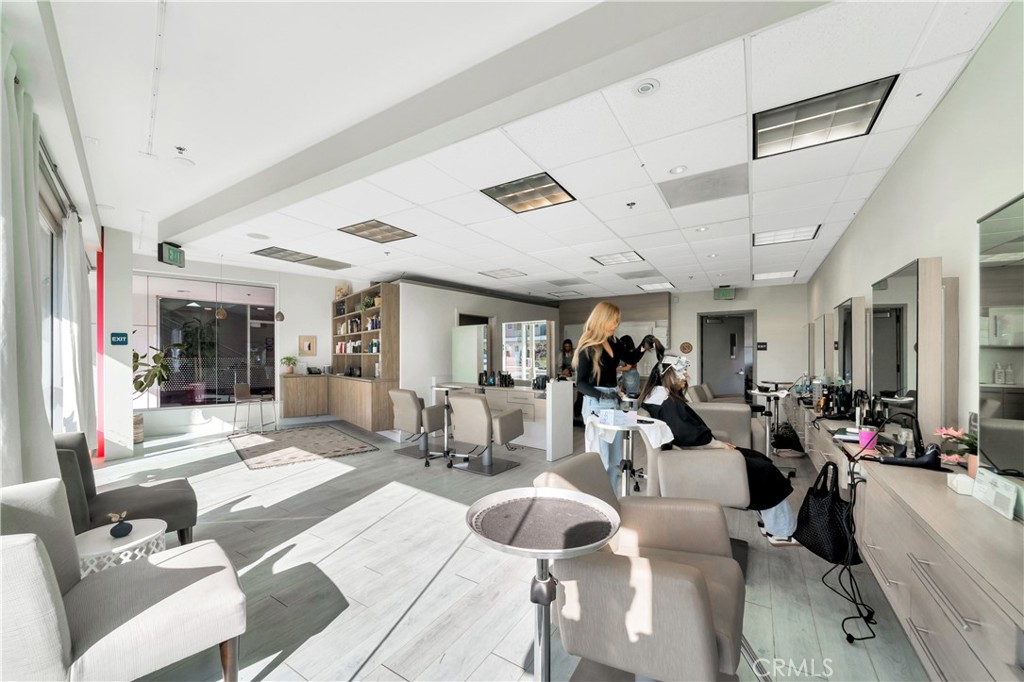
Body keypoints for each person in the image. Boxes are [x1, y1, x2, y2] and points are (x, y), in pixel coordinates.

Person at [638, 353, 800, 547]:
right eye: (682, 372)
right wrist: (718, 445)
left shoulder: (659, 396)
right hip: (694, 458)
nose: (686, 376)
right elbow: (688, 435)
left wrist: (716, 444)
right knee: (764, 470)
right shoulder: (664, 400)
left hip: (696, 452)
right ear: (669, 374)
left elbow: (685, 433)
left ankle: (770, 523)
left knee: (759, 459)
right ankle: (781, 531)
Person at [573, 302, 637, 491]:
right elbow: (580, 383)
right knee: (601, 460)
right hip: (596, 406)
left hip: (613, 405)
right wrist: (602, 395)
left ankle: (612, 499)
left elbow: (631, 359)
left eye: (618, 321)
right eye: (613, 321)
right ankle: (599, 501)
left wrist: (645, 345)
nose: (616, 325)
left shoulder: (613, 343)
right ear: (602, 319)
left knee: (615, 461)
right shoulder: (588, 347)